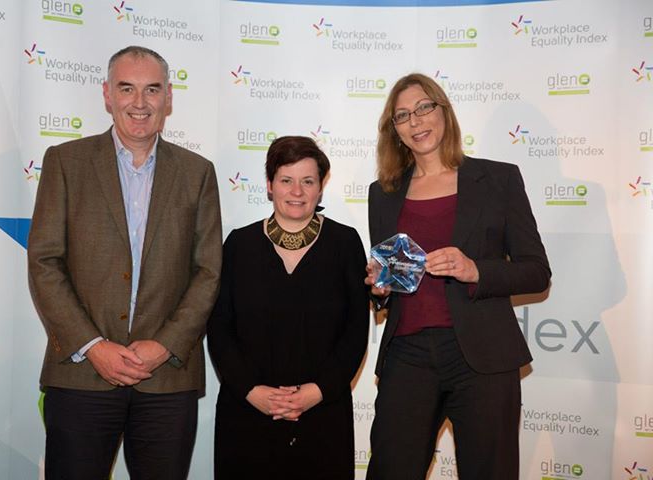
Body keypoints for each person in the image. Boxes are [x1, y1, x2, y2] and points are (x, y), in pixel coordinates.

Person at [27, 45, 222, 479]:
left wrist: (164, 345)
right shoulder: (65, 163)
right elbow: (44, 261)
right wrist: (94, 346)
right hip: (81, 376)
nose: (139, 102)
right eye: (127, 88)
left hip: (167, 379)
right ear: (107, 95)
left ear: (168, 97)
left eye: (152, 90)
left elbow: (208, 273)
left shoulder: (198, 173)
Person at [364, 73, 551, 479]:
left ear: (444, 111)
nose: (416, 122)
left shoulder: (498, 179)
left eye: (424, 108)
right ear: (394, 130)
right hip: (407, 355)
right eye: (402, 116)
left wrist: (475, 269)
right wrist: (380, 288)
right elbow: (390, 277)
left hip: (483, 358)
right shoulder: (383, 193)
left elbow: (536, 271)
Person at [207, 136, 369, 479]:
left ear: (320, 188)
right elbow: (219, 329)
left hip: (322, 414)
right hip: (248, 414)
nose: (297, 191)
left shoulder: (345, 243)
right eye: (286, 180)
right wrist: (251, 391)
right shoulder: (239, 244)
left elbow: (356, 332)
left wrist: (316, 392)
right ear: (269, 185)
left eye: (307, 181)